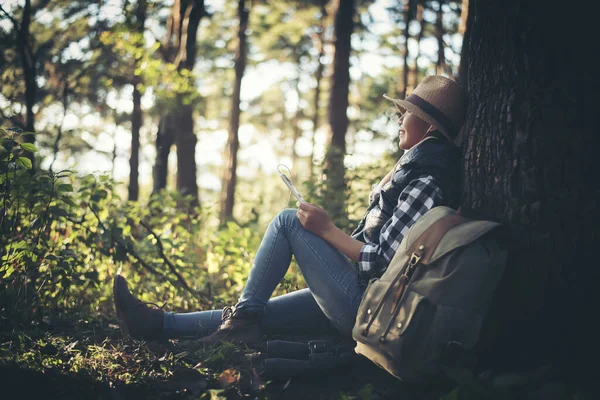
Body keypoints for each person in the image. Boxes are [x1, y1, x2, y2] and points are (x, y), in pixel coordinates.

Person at [113, 75, 467, 344]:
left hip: (368, 306)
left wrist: (325, 230)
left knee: (287, 223)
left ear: (431, 126)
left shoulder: (426, 182)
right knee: (259, 312)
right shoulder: (415, 171)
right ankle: (157, 325)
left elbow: (383, 261)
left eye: (409, 113)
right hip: (361, 295)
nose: (400, 118)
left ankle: (243, 322)